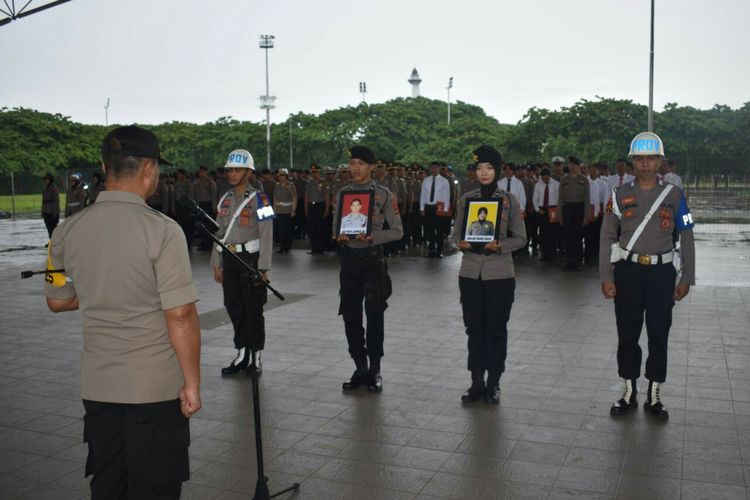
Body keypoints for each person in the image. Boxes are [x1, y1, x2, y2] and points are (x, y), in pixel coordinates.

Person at [44, 125, 201, 499]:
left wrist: (103, 290)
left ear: (104, 165)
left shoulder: (65, 232)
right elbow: (179, 315)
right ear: (149, 169)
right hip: (154, 390)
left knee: (109, 484)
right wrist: (192, 384)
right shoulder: (163, 231)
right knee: (155, 487)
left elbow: (58, 300)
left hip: (98, 386)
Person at [600, 132, 695, 420]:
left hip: (661, 273)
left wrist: (686, 277)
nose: (645, 164)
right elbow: (606, 236)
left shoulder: (675, 195)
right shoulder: (618, 195)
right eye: (639, 159)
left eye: (651, 159)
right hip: (627, 272)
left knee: (658, 333)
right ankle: (628, 390)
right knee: (627, 333)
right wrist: (606, 275)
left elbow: (687, 235)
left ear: (660, 161)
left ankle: (654, 393)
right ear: (632, 161)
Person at [454, 145, 526, 404]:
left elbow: (521, 238)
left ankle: (494, 382)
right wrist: (459, 242)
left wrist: (500, 246)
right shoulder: (466, 200)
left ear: (497, 170)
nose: (483, 173)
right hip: (471, 273)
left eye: (489, 168)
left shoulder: (509, 200)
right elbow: (455, 234)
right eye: (479, 168)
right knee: (473, 329)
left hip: (499, 275)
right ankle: (476, 381)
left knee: (496, 329)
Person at [335, 145, 402, 393]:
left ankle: (375, 369)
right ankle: (359, 366)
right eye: (352, 163)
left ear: (371, 166)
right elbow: (336, 228)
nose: (355, 168)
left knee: (374, 315)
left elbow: (398, 231)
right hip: (349, 261)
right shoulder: (343, 194)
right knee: (350, 315)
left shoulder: (384, 194)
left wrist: (372, 237)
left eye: (361, 163)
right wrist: (340, 236)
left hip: (373, 260)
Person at [212, 149, 274, 376]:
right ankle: (241, 353)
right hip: (229, 259)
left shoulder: (261, 199)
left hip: (251, 260)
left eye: (237, 169)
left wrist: (264, 268)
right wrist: (216, 263)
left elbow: (267, 234)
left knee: (253, 309)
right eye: (230, 170)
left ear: (249, 172)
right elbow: (217, 234)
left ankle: (256, 356)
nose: (232, 174)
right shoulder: (225, 199)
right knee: (234, 307)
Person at [559, 156, 590, 270]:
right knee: (567, 236)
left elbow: (587, 199)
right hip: (567, 209)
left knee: (577, 235)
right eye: (570, 165)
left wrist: (586, 216)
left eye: (574, 165)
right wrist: (559, 215)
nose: (571, 167)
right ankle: (569, 260)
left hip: (579, 209)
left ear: (578, 167)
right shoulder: (564, 179)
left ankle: (577, 261)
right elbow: (560, 198)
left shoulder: (584, 180)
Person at [420, 161, 451, 257]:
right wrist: (422, 208)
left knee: (440, 230)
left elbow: (447, 196)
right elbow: (423, 195)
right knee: (429, 230)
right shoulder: (426, 180)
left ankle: (439, 251)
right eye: (432, 167)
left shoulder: (444, 181)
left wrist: (445, 210)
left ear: (438, 168)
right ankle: (431, 250)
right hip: (428, 207)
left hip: (439, 207)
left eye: (435, 167)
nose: (433, 169)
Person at [533, 168, 561, 260]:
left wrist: (557, 210)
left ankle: (552, 252)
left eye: (546, 178)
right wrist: (537, 209)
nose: (544, 180)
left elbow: (559, 199)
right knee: (543, 232)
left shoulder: (557, 184)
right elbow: (534, 199)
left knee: (553, 231)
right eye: (543, 178)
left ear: (549, 176)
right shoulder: (538, 185)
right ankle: (545, 253)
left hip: (553, 209)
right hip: (542, 209)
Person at [305, 163, 330, 254]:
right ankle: (314, 248)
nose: (313, 174)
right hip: (311, 206)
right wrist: (306, 208)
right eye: (312, 172)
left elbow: (327, 197)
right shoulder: (309, 183)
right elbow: (307, 197)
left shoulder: (324, 182)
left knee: (321, 227)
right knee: (312, 228)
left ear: (319, 172)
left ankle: (321, 248)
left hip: (320, 206)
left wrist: (327, 209)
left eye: (315, 172)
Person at [273, 168, 297, 254]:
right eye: (280, 175)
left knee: (288, 229)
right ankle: (282, 247)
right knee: (281, 230)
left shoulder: (290, 185)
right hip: (279, 210)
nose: (281, 177)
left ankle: (288, 247)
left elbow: (294, 198)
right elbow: (275, 198)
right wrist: (274, 210)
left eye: (283, 175)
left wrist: (293, 210)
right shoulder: (277, 185)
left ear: (286, 176)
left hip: (287, 210)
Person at [41, 172, 60, 238]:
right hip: (46, 211)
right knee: (48, 227)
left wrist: (56, 212)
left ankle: (55, 240)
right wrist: (42, 212)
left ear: (50, 180)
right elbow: (43, 201)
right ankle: (50, 240)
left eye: (47, 179)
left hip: (52, 211)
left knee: (53, 227)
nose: (45, 181)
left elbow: (56, 201)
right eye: (45, 180)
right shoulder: (45, 189)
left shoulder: (54, 188)